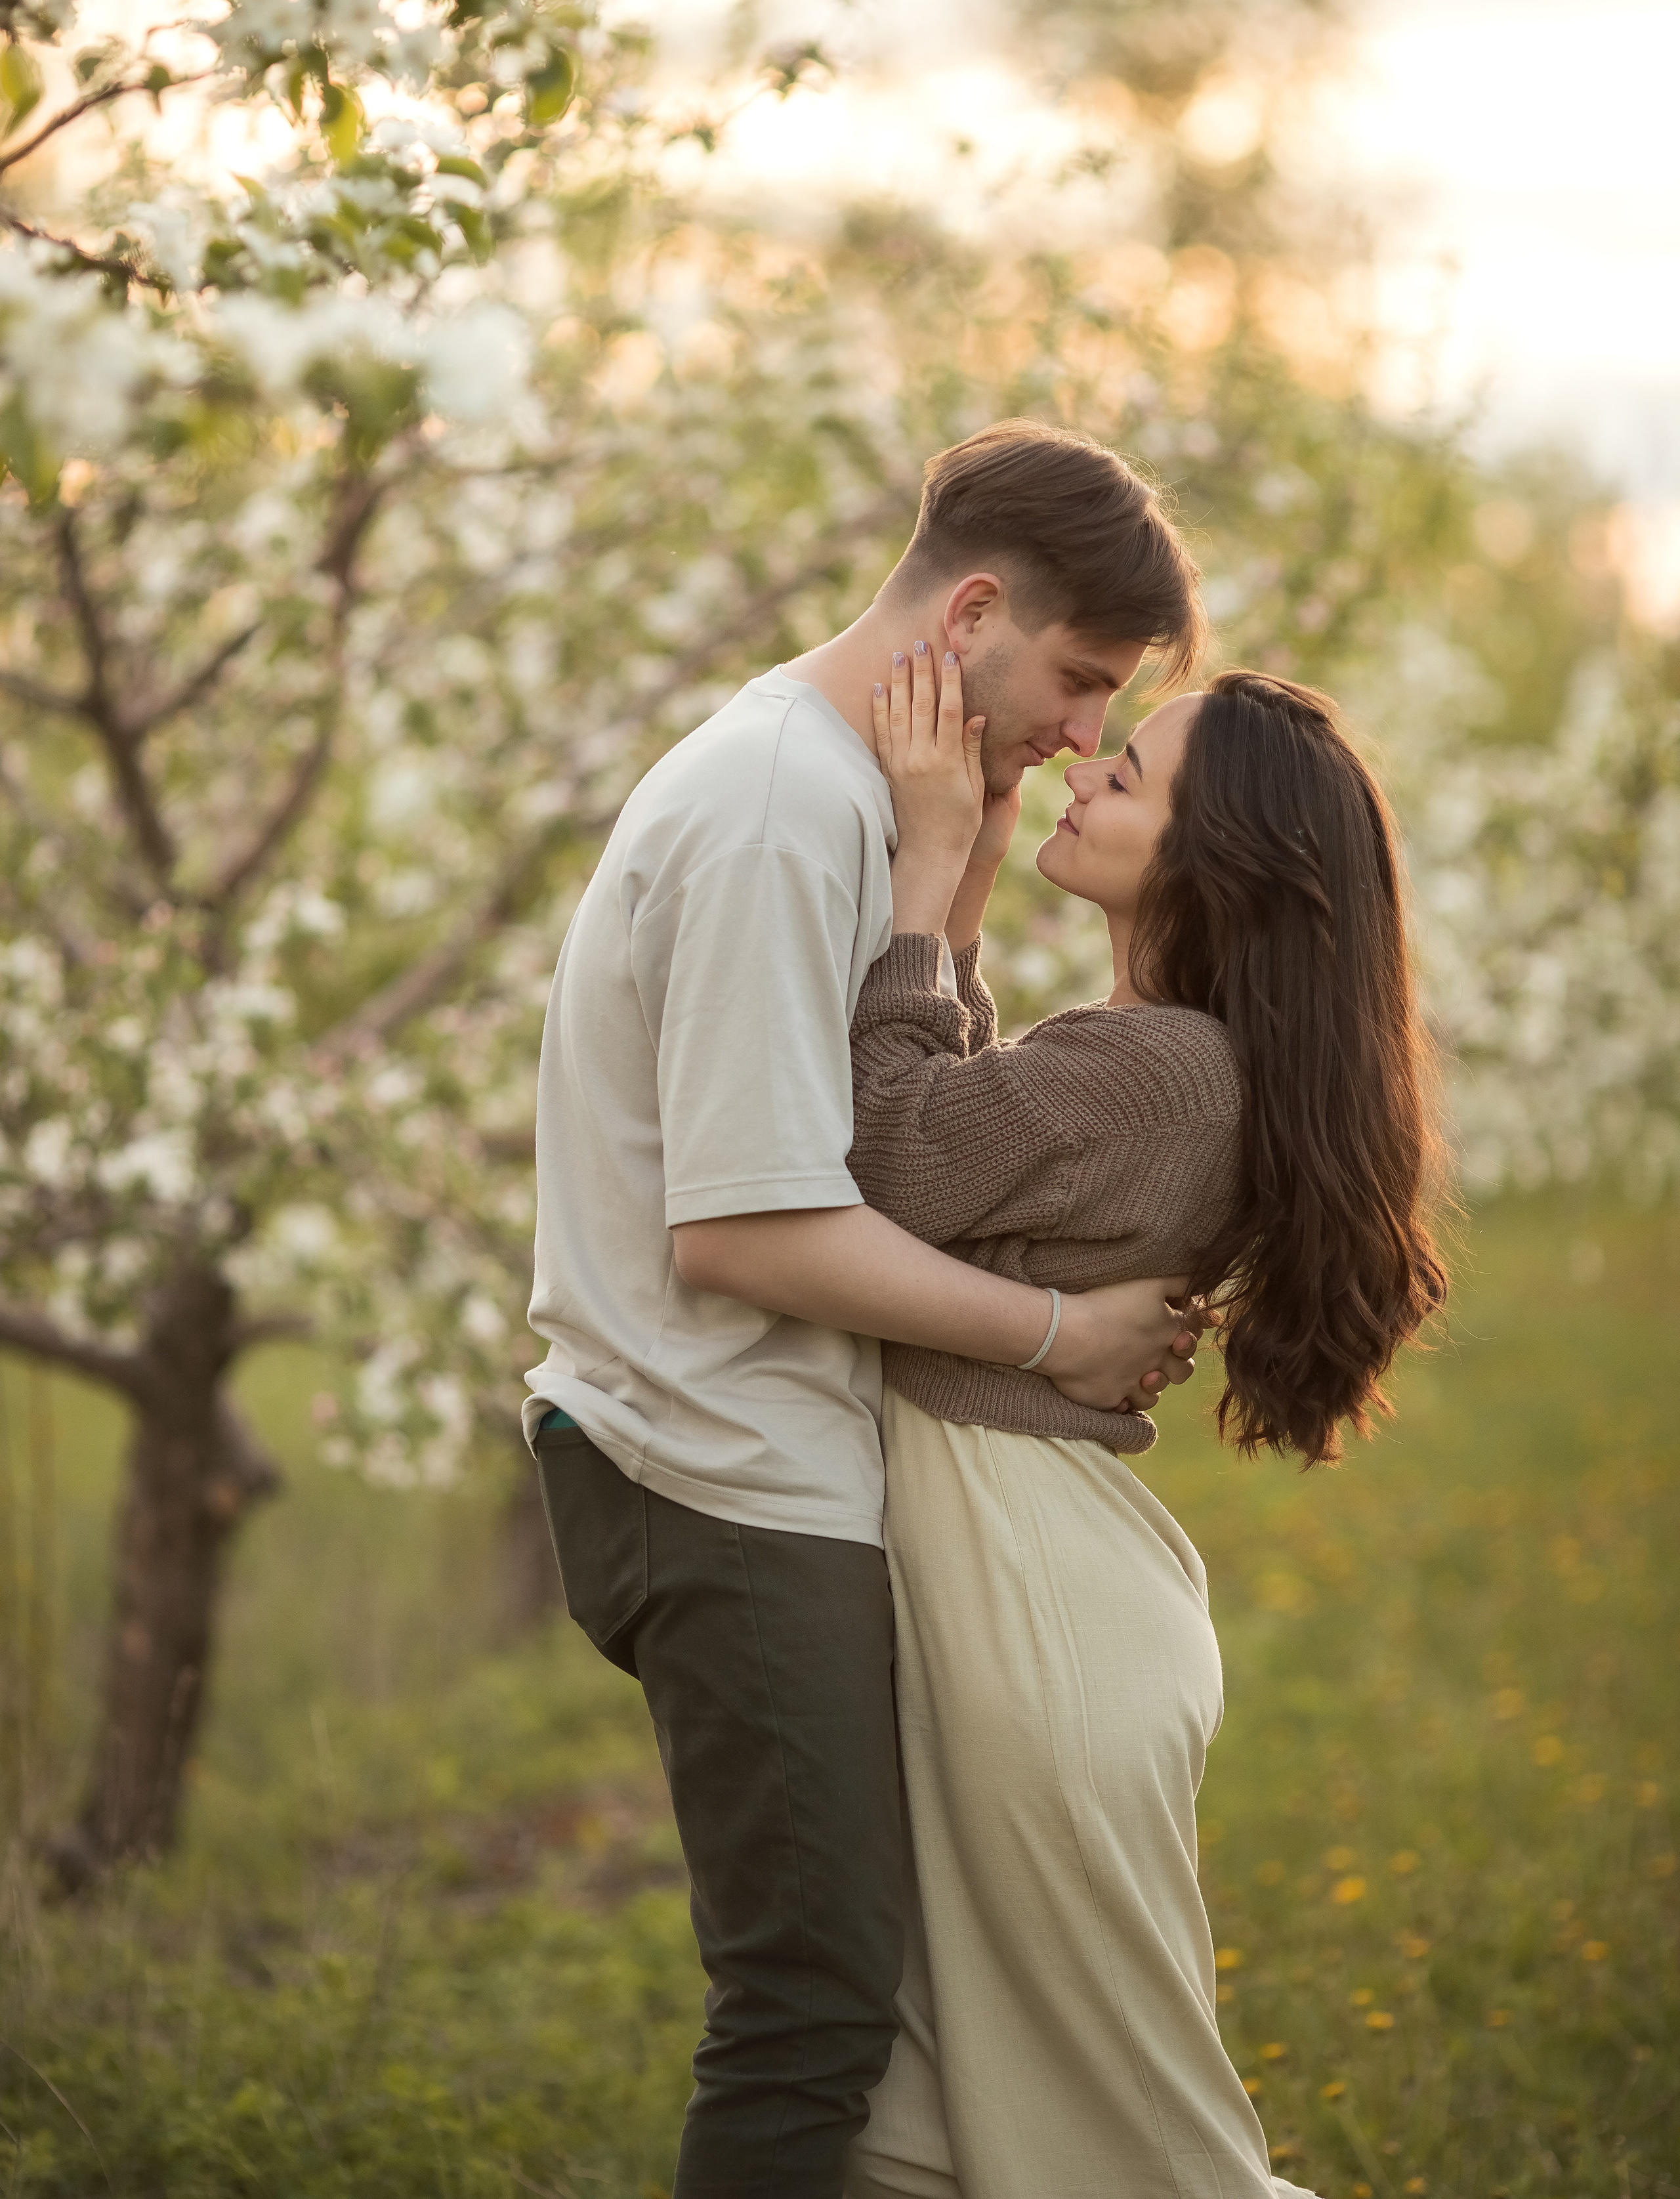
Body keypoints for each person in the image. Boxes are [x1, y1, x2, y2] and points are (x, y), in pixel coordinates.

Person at [524, 420, 1211, 2198]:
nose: (1083, 733)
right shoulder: (777, 808)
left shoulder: (845, 797)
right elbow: (749, 1232)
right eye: (1078, 680)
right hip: (718, 1468)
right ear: (971, 615)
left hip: (766, 1458)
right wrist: (1063, 1337)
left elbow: (888, 1142)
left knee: (876, 2024)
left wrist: (953, 878)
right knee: (812, 2010)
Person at [842, 652, 1448, 2199]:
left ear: (1213, 861)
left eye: (1128, 775)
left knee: (1134, 2159)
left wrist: (923, 879)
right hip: (1040, 1585)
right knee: (946, 2131)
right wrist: (966, 883)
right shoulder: (1156, 1059)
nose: (1081, 768)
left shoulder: (1162, 1070)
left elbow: (892, 1161)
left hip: (1033, 1608)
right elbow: (976, 1147)